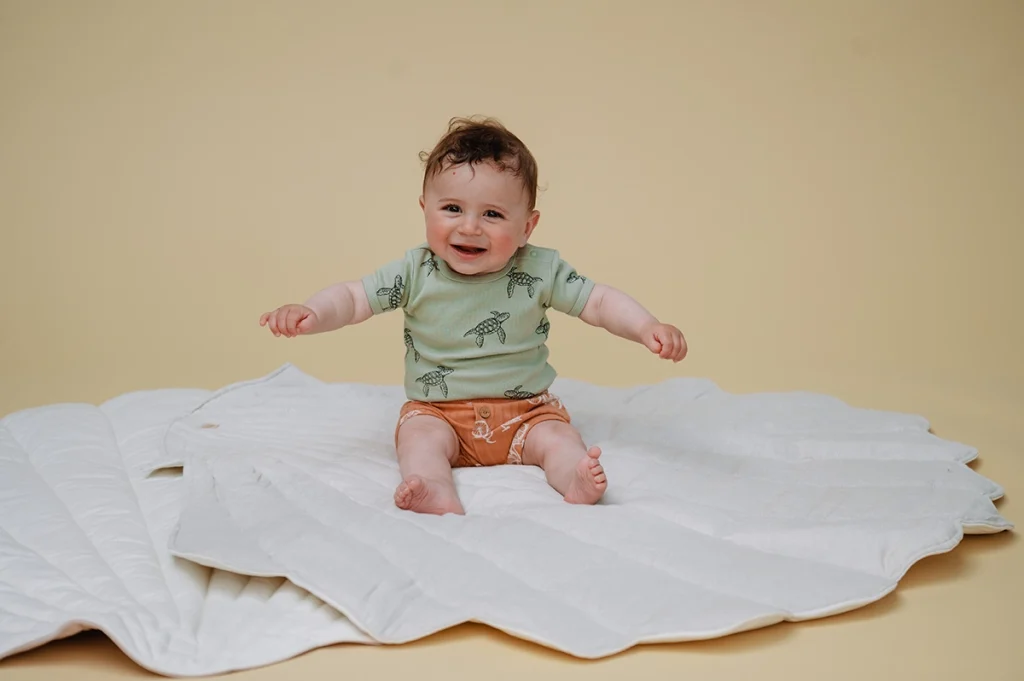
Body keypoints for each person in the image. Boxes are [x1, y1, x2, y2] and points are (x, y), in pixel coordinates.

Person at [260, 117, 687, 515]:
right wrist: (313, 311)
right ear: (425, 208)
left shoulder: (540, 270)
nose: (469, 227)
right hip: (439, 413)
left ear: (527, 227)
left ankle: (573, 478)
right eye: (452, 208)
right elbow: (354, 299)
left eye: (492, 214)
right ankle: (433, 487)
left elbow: (598, 302)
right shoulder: (415, 271)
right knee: (418, 439)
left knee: (559, 438)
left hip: (526, 412)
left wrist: (646, 326)